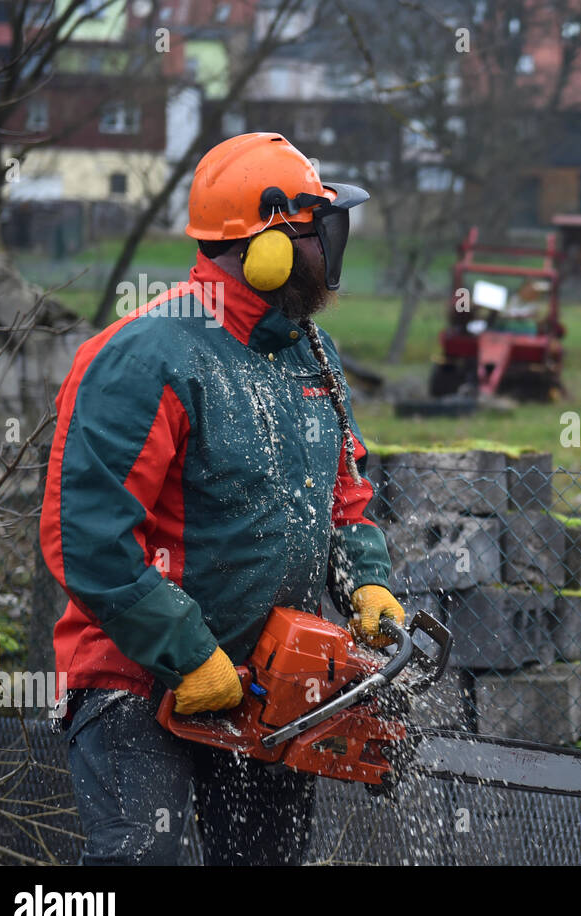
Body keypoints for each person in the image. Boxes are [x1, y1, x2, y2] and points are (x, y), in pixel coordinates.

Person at [39, 132, 405, 865]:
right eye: (316, 232)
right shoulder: (147, 356)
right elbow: (86, 537)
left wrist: (365, 578)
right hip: (138, 682)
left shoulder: (311, 354)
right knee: (147, 857)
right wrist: (186, 652)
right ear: (264, 244)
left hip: (266, 684)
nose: (331, 249)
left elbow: (345, 492)